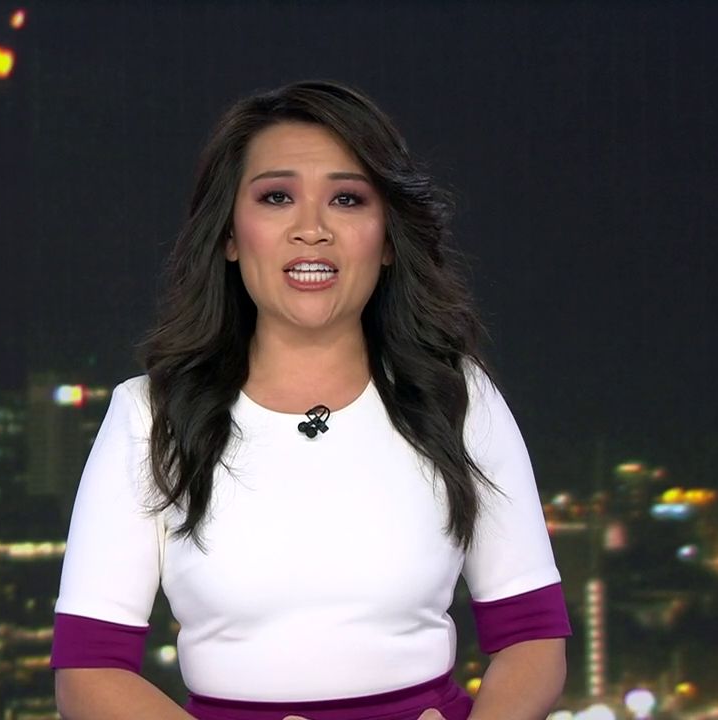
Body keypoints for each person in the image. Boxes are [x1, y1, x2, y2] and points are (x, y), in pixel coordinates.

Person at [50, 80, 571, 720]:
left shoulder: (457, 396)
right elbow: (88, 671)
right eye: (277, 197)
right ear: (230, 234)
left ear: (387, 239)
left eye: (347, 199)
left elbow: (533, 636)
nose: (312, 230)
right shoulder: (149, 415)